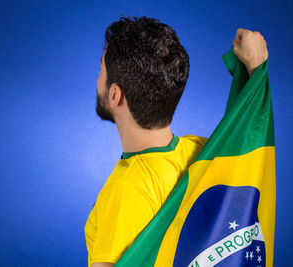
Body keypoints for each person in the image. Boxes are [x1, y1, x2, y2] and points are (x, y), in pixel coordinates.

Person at [84, 15, 268, 267]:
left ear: (115, 95)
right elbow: (249, 134)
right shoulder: (205, 155)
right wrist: (256, 69)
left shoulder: (127, 189)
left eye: (100, 71)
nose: (97, 79)